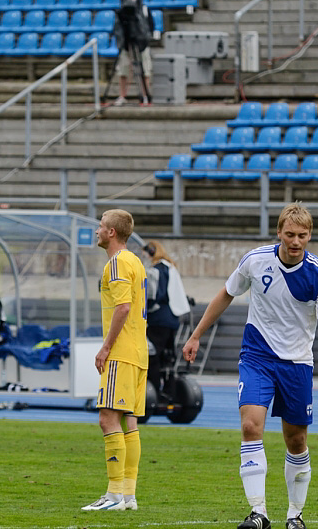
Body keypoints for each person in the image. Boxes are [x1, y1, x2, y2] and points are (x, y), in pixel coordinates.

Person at [182, 202, 318, 529]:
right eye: (290, 234)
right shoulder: (255, 261)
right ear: (279, 232)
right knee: (250, 426)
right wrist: (196, 334)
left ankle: (294, 516)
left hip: (297, 364)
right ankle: (258, 512)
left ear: (309, 235)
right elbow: (226, 295)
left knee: (296, 440)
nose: (296, 241)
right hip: (257, 357)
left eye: (302, 235)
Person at [81, 209, 147, 512]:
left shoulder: (118, 262)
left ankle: (114, 495)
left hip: (121, 352)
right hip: (138, 352)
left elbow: (122, 307)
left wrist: (105, 348)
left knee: (108, 418)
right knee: (129, 421)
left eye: (100, 226)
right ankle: (128, 495)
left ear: (111, 232)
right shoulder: (135, 261)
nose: (96, 230)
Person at [143, 240, 190, 393]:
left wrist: (144, 308)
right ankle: (170, 391)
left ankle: (154, 390)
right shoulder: (171, 267)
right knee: (168, 356)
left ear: (151, 252)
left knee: (152, 354)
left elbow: (156, 295)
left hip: (158, 318)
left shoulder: (156, 269)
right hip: (172, 318)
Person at [112, 0, 154, 106]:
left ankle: (145, 95)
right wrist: (122, 43)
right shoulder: (121, 13)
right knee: (123, 70)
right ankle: (122, 95)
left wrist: (144, 39)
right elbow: (117, 29)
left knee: (145, 70)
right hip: (125, 44)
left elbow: (150, 26)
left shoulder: (145, 10)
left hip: (142, 44)